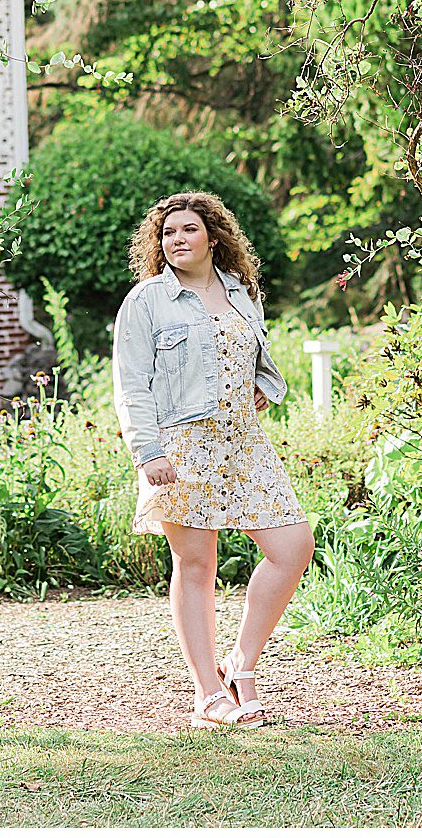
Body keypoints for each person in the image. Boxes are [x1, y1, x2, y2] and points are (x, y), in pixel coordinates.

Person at [112, 190, 314, 728]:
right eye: (167, 233)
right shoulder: (147, 301)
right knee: (196, 565)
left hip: (244, 443)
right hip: (181, 446)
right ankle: (208, 692)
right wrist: (147, 452)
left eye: (187, 230)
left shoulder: (242, 292)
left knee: (292, 546)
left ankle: (240, 664)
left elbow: (257, 357)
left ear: (213, 236)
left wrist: (264, 388)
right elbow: (131, 383)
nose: (177, 239)